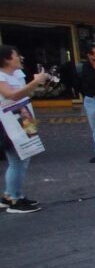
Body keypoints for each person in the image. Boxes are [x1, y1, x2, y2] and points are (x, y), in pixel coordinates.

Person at [0, 44, 47, 213]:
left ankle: (9, 195)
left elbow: (24, 94)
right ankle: (15, 200)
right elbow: (12, 95)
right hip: (8, 121)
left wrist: (35, 85)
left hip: (24, 118)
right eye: (16, 56)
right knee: (17, 161)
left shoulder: (18, 74)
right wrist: (36, 81)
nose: (19, 58)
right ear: (6, 59)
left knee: (26, 156)